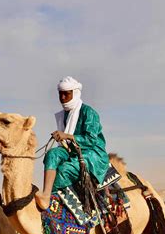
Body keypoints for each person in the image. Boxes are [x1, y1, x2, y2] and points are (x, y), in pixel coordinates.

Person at [35, 76, 110, 210]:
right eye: (61, 94)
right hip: (71, 150)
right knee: (51, 154)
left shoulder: (89, 112)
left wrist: (67, 136)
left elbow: (91, 140)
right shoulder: (63, 114)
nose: (63, 97)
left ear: (74, 93)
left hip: (92, 154)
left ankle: (56, 204)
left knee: (64, 170)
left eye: (66, 94)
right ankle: (46, 195)